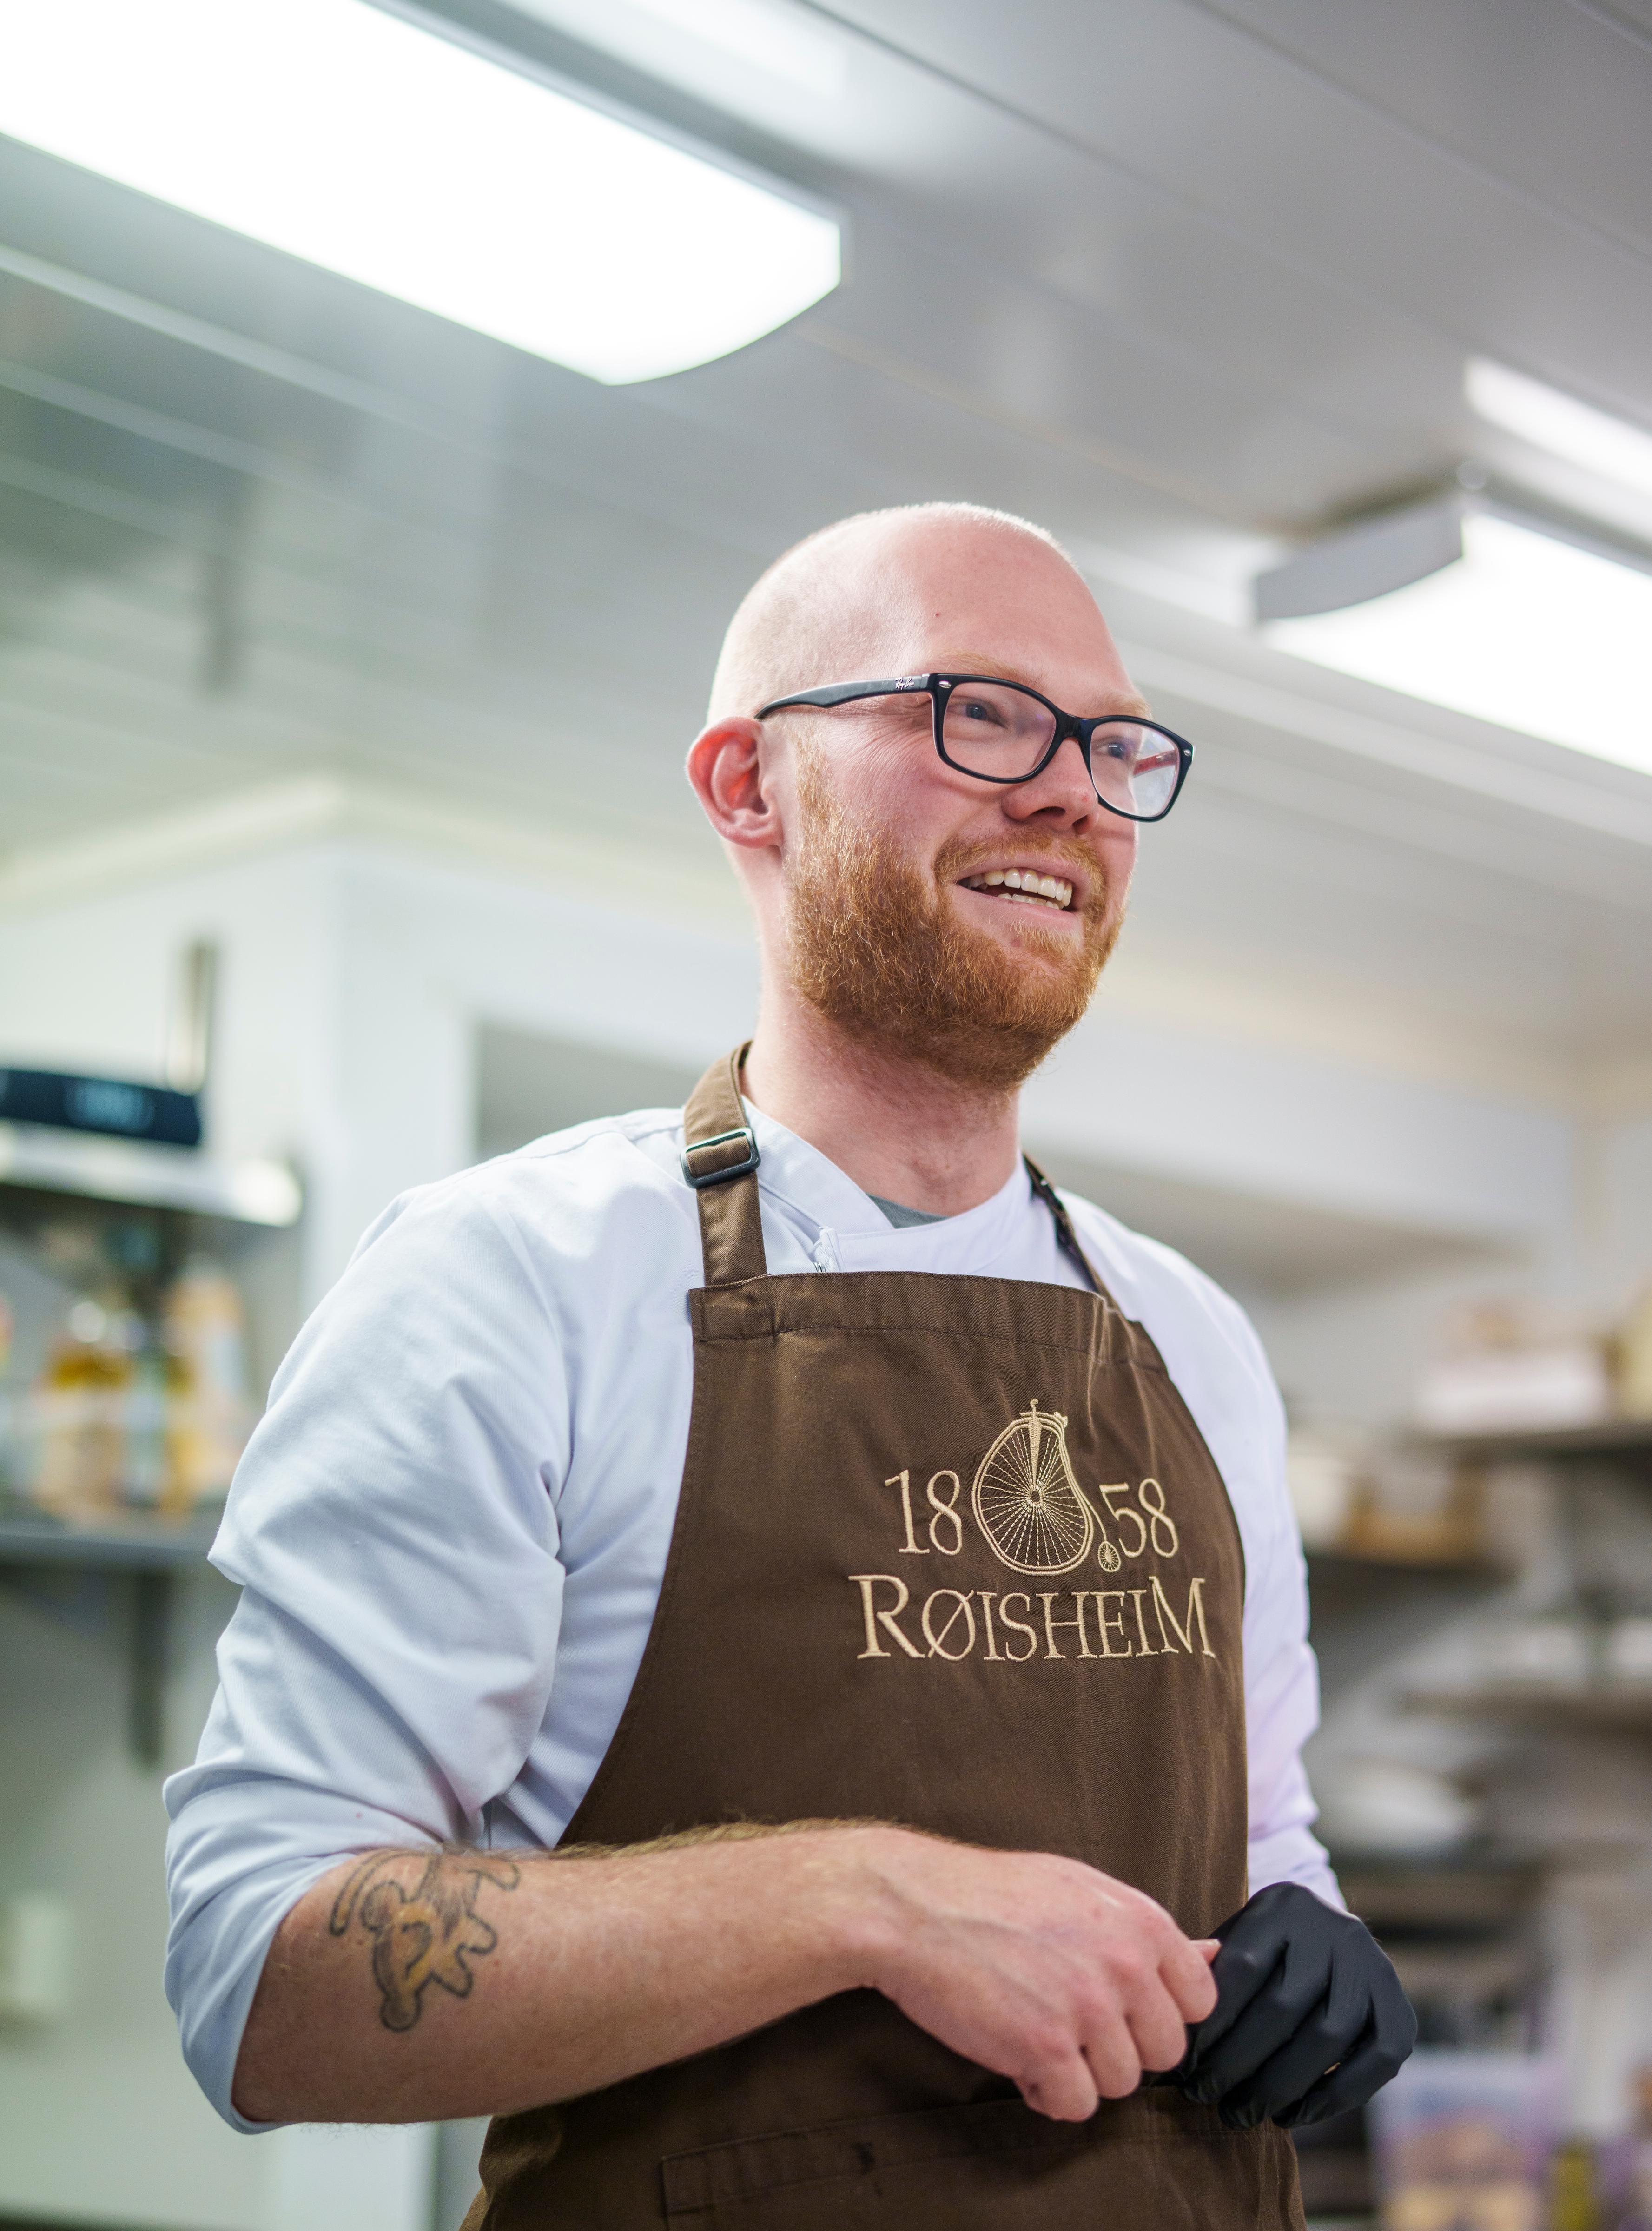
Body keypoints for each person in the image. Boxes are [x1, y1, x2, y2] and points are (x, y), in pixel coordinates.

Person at [165, 503, 1413, 2227]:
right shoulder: (515, 1283)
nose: (1070, 792)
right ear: (750, 785)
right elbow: (255, 1980)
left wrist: (1313, 1934)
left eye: (1114, 748)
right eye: (979, 712)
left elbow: (1266, 1832)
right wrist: (866, 1901)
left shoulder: (1187, 1338)